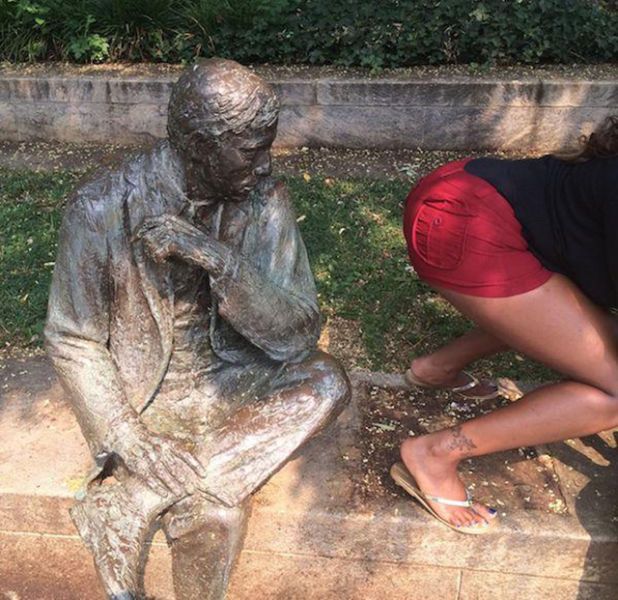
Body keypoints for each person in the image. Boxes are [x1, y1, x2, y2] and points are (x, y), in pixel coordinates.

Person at [45, 59, 350, 599]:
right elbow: (73, 337)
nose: (263, 164)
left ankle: (133, 500)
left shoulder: (266, 200)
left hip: (236, 381)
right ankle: (175, 484)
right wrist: (128, 438)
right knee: (217, 516)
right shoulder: (101, 207)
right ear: (200, 145)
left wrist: (216, 258)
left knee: (327, 381)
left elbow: (297, 333)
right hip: (146, 395)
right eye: (250, 151)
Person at [391, 115, 618, 534]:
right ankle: (435, 454)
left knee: (576, 323)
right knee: (615, 393)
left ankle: (436, 368)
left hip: (462, 190)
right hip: (461, 222)